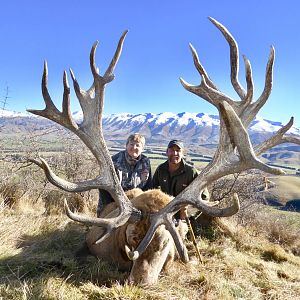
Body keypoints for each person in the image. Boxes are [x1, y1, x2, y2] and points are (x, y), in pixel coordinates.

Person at [152, 139, 208, 221]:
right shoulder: (161, 169)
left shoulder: (191, 172)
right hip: (164, 214)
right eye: (172, 150)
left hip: (183, 217)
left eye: (178, 150)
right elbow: (153, 189)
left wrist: (189, 214)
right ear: (167, 152)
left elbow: (204, 197)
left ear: (182, 153)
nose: (175, 153)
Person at [97, 133, 152, 217]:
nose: (134, 147)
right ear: (126, 146)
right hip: (113, 203)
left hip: (137, 205)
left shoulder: (146, 162)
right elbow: (104, 188)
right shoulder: (114, 161)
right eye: (131, 144)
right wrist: (112, 207)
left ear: (142, 148)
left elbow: (148, 186)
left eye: (138, 145)